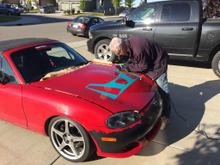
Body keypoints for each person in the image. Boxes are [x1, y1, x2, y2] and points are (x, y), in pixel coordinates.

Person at [109, 36, 171, 129]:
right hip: (148, 60)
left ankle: (166, 116)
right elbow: (134, 61)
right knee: (152, 88)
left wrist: (127, 68)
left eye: (118, 53)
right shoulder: (127, 45)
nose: (119, 56)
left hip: (158, 63)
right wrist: (124, 66)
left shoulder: (138, 49)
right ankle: (156, 106)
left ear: (122, 48)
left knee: (162, 90)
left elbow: (142, 67)